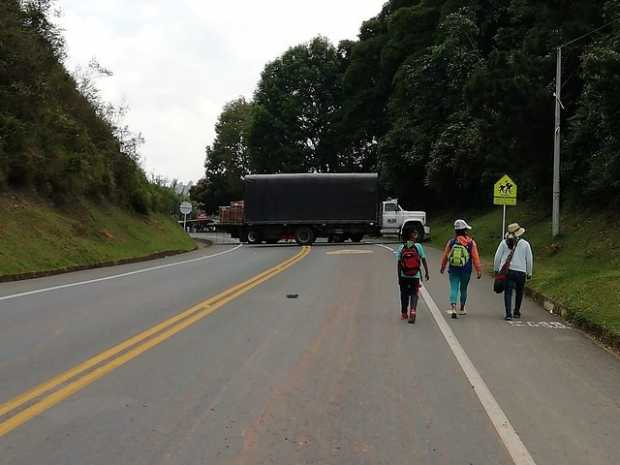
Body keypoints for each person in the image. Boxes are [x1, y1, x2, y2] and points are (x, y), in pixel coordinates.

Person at [440, 219, 482, 319]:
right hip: (466, 270)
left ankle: (453, 307)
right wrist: (478, 270)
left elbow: (445, 255)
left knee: (454, 288)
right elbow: (475, 257)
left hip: (453, 269)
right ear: (465, 231)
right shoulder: (471, 243)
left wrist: (443, 267)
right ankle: (462, 308)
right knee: (463, 289)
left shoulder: (452, 242)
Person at [494, 223, 533, 321]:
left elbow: (497, 257)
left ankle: (508, 314)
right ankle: (516, 311)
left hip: (508, 271)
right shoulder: (525, 244)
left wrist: (496, 269)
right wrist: (529, 272)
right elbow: (529, 259)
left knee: (508, 292)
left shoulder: (504, 243)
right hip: (521, 272)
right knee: (519, 292)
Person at [395, 228, 430, 323]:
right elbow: (423, 260)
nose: (416, 235)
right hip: (415, 275)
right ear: (412, 235)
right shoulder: (418, 246)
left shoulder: (402, 247)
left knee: (404, 294)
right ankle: (413, 311)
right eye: (415, 233)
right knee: (414, 293)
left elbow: (399, 263)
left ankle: (404, 313)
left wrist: (399, 277)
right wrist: (426, 272)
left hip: (404, 275)